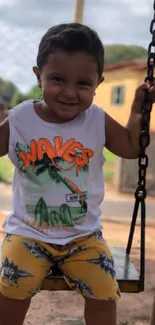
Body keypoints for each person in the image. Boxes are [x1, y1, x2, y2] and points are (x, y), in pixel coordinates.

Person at [0, 23, 154, 325]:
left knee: (104, 291)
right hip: (27, 234)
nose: (70, 93)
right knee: (12, 286)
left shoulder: (96, 118)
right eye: (57, 79)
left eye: (83, 84)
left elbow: (131, 147)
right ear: (38, 76)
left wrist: (138, 108)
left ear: (98, 83)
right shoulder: (21, 118)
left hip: (84, 236)